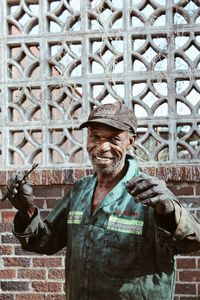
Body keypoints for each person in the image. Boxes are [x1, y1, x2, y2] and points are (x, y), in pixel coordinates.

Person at [5, 101, 200, 300]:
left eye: (114, 139)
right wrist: (27, 210)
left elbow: (192, 242)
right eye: (95, 136)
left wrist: (167, 210)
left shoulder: (150, 194)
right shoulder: (80, 191)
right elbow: (46, 241)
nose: (102, 147)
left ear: (130, 142)